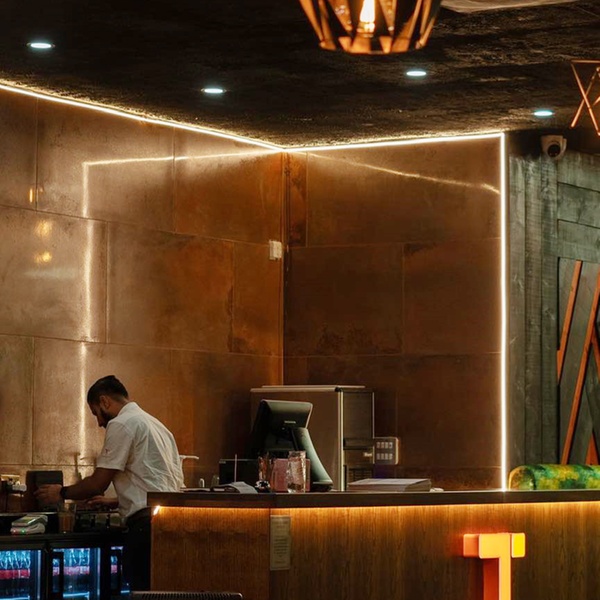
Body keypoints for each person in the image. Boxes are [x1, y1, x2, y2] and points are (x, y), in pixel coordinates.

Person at [35, 375, 184, 591]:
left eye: (96, 412)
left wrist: (61, 493)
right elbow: (159, 483)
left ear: (104, 401)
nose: (99, 422)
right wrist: (116, 501)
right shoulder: (158, 426)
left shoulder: (122, 424)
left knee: (143, 590)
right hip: (171, 524)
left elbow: (98, 483)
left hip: (145, 528)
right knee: (162, 591)